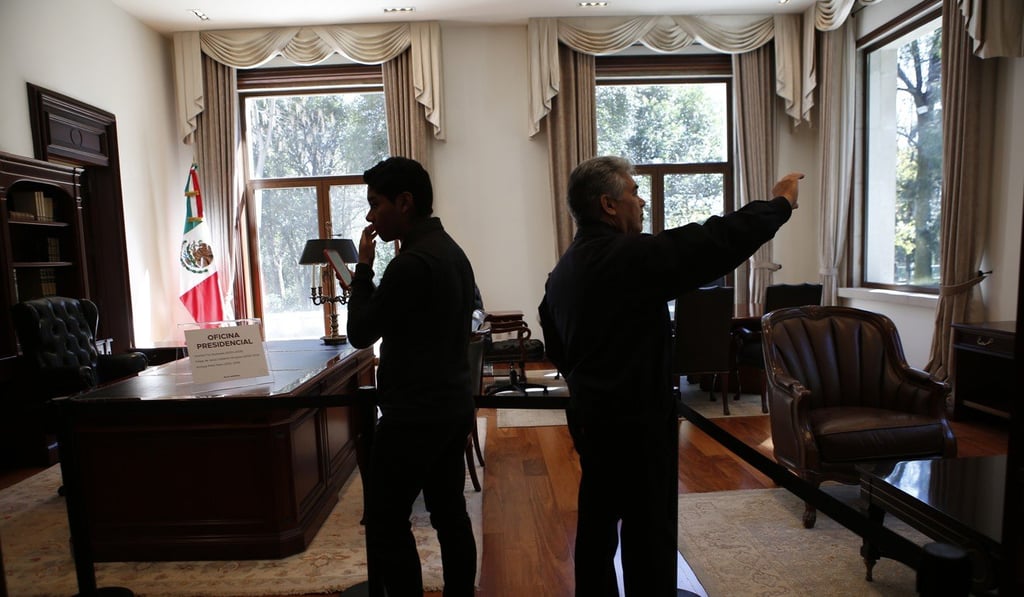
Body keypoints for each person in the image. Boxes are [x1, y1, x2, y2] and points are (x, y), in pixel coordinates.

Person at [538, 155, 803, 597]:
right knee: (648, 530)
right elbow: (712, 241)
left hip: (591, 418)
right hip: (637, 423)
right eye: (634, 193)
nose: (641, 202)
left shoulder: (563, 270)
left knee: (598, 524)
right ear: (608, 204)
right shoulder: (626, 257)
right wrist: (778, 205)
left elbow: (555, 344)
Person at [346, 156, 477, 597]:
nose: (370, 216)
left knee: (385, 520)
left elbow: (360, 333)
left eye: (375, 203)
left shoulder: (410, 264)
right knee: (450, 514)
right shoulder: (452, 251)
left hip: (413, 415)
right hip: (452, 406)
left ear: (404, 202)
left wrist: (363, 269)